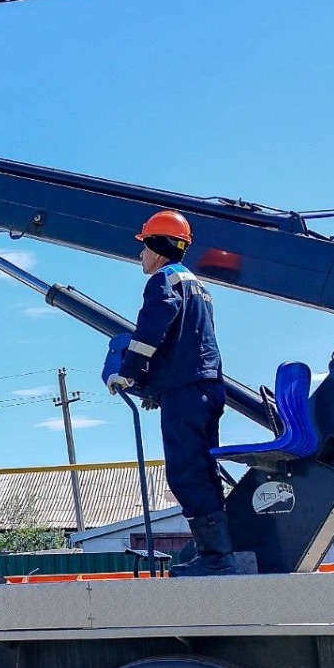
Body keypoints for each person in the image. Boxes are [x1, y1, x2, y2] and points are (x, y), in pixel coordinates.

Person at [106, 210, 237, 577]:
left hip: (186, 390)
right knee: (200, 467)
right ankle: (216, 553)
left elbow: (152, 330)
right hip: (204, 386)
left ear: (156, 245)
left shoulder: (164, 281)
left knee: (185, 471)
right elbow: (186, 342)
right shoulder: (196, 285)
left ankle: (216, 558)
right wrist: (157, 388)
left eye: (143, 246)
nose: (140, 255)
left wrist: (127, 373)